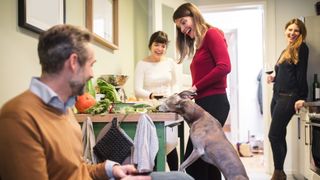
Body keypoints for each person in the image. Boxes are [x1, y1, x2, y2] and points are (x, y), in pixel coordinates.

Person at [0, 24, 194, 180]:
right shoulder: (18, 118)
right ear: (74, 62)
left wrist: (110, 169)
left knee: (181, 178)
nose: (93, 74)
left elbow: (75, 171)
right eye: (91, 65)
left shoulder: (65, 109)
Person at [173, 3, 231, 180]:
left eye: (184, 22)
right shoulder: (200, 44)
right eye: (179, 26)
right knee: (208, 159)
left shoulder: (212, 34)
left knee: (194, 163)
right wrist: (191, 93)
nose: (183, 29)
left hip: (215, 103)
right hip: (205, 103)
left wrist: (194, 88)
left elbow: (224, 67)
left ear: (194, 15)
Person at [266, 18, 309, 180]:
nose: (292, 33)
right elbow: (286, 73)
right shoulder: (287, 49)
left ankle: (278, 173)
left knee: (274, 135)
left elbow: (301, 73)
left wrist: (302, 97)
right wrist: (273, 77)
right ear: (285, 31)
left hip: (289, 97)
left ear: (301, 33)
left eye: (296, 30)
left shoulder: (301, 48)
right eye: (290, 30)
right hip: (277, 96)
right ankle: (281, 171)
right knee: (279, 134)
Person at [134, 31, 180, 171]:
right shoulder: (142, 64)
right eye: (157, 45)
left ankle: (174, 174)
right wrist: (152, 95)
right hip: (149, 108)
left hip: (168, 106)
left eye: (163, 46)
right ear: (150, 45)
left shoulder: (171, 63)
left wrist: (171, 96)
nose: (160, 48)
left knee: (170, 142)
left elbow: (176, 84)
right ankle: (154, 174)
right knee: (152, 142)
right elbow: (137, 90)